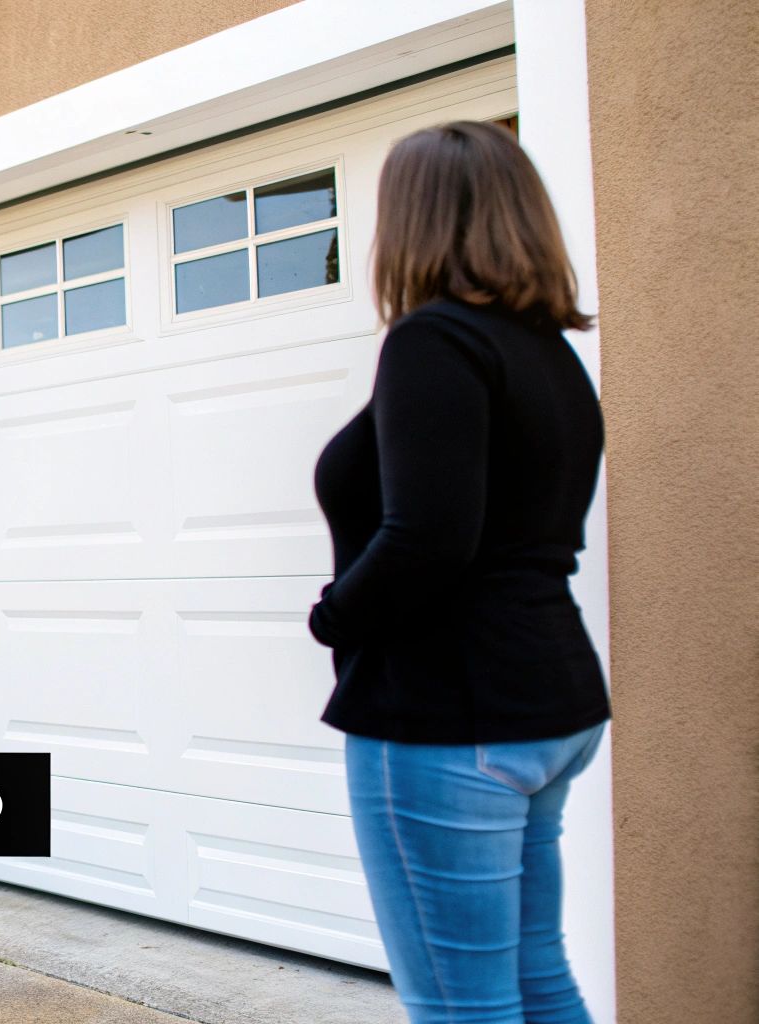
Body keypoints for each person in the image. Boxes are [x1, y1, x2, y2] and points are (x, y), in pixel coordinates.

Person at [308, 121, 610, 1023]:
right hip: (546, 702)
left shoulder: (434, 342)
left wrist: (333, 616)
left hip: (450, 718)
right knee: (534, 975)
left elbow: (429, 539)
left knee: (460, 1008)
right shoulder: (549, 356)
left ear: (416, 220)